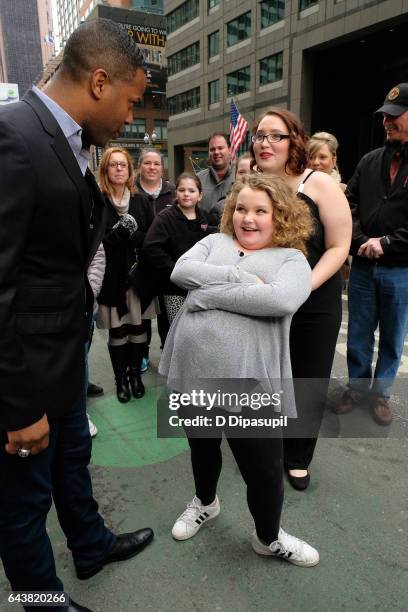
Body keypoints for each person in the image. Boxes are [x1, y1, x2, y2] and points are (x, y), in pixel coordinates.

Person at [0, 19, 154, 612]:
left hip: (63, 359)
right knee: (21, 504)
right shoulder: (14, 137)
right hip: (24, 375)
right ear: (98, 81)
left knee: (72, 466)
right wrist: (16, 407)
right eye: (130, 100)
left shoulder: (70, 141)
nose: (130, 118)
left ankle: (89, 545)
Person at [159, 175, 321, 567]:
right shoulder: (215, 242)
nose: (248, 218)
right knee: (201, 445)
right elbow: (181, 272)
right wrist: (241, 279)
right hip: (193, 371)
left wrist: (206, 295)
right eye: (241, 209)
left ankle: (268, 537)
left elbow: (281, 299)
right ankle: (205, 501)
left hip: (251, 383)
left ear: (280, 216)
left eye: (261, 211)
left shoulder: (292, 259)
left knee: (263, 470)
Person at [250, 108, 351, 491]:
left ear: (294, 140)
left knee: (307, 379)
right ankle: (269, 446)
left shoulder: (319, 183)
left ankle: (297, 458)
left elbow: (339, 246)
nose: (265, 142)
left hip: (314, 302)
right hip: (266, 302)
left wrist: (302, 285)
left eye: (276, 135)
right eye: (260, 136)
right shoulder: (254, 185)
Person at [335, 83, 408, 426]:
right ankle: (358, 387)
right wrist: (364, 239)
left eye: (395, 116)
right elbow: (346, 205)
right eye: (385, 117)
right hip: (363, 266)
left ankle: (380, 393)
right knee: (360, 331)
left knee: (393, 336)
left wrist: (387, 244)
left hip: (401, 269)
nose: (387, 122)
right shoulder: (369, 160)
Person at [97, 147, 156, 403]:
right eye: (113, 164)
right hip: (111, 278)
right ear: (105, 169)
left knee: (138, 327)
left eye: (123, 165)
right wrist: (116, 235)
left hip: (137, 278)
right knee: (118, 331)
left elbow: (152, 238)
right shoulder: (98, 201)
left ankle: (135, 375)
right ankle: (120, 378)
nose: (119, 168)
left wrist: (133, 234)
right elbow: (94, 242)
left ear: (130, 170)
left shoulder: (141, 201)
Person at [142, 173, 212, 324]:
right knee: (175, 328)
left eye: (192, 191)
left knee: (198, 329)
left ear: (200, 195)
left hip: (200, 287)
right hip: (173, 288)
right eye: (182, 190)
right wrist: (175, 270)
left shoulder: (205, 217)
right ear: (176, 193)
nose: (186, 194)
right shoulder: (165, 218)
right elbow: (151, 247)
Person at [136, 148, 175, 364]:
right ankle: (142, 353)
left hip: (165, 264)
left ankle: (167, 354)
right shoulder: (131, 191)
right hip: (140, 266)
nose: (152, 167)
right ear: (140, 166)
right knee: (142, 312)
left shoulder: (173, 192)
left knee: (166, 315)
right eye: (147, 163)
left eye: (156, 164)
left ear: (162, 167)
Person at [307, 132, 350, 288]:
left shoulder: (344, 191)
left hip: (331, 270)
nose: (316, 162)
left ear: (334, 159)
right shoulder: (298, 189)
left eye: (322, 157)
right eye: (311, 157)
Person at [197, 132, 235, 215]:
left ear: (230, 150)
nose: (216, 152)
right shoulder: (198, 179)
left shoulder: (239, 177)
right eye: (212, 149)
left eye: (220, 148)